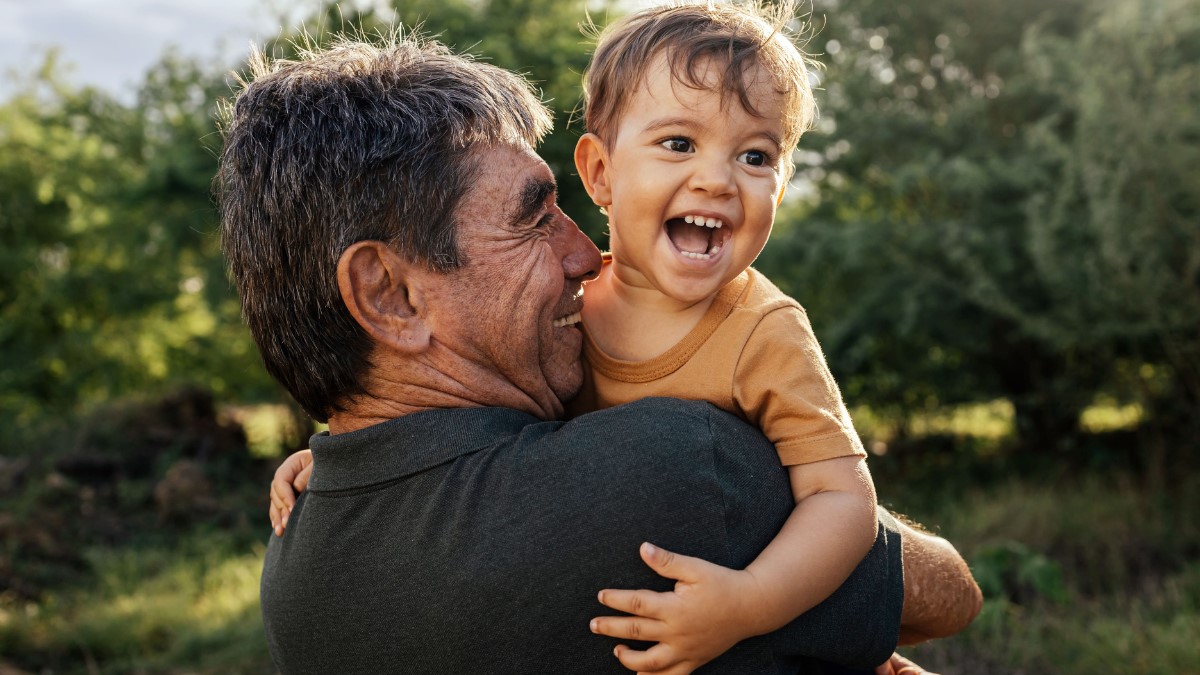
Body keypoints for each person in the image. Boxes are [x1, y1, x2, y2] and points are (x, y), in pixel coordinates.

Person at [226, 32, 980, 675]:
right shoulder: (677, 468)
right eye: (534, 219)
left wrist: (324, 454)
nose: (588, 257)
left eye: (756, 156)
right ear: (390, 295)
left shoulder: (294, 575)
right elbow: (949, 592)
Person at [565, 2, 878, 671]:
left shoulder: (763, 329)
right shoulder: (562, 306)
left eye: (755, 155)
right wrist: (339, 450)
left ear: (782, 185)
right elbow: (467, 410)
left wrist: (749, 602)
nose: (716, 178)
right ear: (600, 174)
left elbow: (842, 499)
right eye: (678, 143)